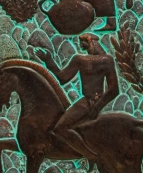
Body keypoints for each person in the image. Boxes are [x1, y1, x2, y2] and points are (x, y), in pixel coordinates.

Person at [34, 33, 119, 165]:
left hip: (88, 103)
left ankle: (90, 155)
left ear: (89, 43)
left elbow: (114, 89)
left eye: (83, 44)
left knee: (60, 129)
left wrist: (96, 108)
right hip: (91, 101)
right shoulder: (104, 60)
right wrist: (48, 60)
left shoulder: (83, 59)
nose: (81, 47)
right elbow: (113, 90)